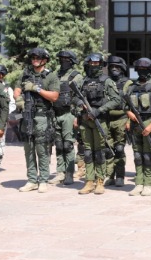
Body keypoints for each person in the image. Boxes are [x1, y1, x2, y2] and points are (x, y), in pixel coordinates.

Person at [15, 48, 60, 193]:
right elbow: (17, 90)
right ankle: (32, 180)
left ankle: (43, 180)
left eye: (38, 58)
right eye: (33, 57)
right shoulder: (25, 74)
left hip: (42, 116)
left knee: (42, 149)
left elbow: (54, 96)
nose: (34, 60)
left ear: (44, 60)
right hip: (26, 115)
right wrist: (19, 99)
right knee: (28, 148)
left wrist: (36, 89)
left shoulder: (50, 76)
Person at [76, 53, 120, 195]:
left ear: (101, 65)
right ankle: (89, 181)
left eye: (97, 63)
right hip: (85, 120)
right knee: (88, 152)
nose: (94, 65)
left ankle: (100, 181)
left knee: (100, 152)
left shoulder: (107, 81)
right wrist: (80, 104)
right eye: (92, 63)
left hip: (100, 120)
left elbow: (116, 100)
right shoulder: (83, 81)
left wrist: (99, 110)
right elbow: (74, 98)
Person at [124, 58, 151, 196]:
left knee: (148, 156)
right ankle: (138, 183)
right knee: (137, 156)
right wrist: (128, 113)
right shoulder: (132, 87)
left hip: (149, 122)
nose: (142, 72)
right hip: (135, 124)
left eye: (145, 69)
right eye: (140, 69)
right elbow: (124, 105)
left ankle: (147, 184)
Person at [49, 51, 83, 186]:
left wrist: (78, 117)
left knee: (68, 145)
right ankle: (60, 173)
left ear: (72, 61)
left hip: (69, 113)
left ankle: (69, 173)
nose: (63, 61)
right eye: (61, 58)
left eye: (66, 59)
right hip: (56, 113)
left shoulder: (77, 76)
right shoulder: (55, 75)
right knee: (58, 145)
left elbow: (80, 97)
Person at [105, 55, 132, 187]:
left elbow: (132, 105)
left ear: (122, 68)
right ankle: (109, 176)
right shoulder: (105, 82)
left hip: (122, 118)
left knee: (119, 149)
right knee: (108, 149)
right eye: (112, 67)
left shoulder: (128, 83)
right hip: (107, 119)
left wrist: (129, 121)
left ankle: (120, 176)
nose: (114, 69)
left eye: (117, 67)